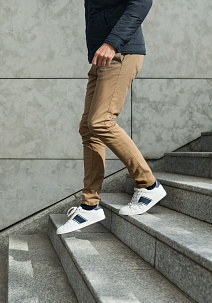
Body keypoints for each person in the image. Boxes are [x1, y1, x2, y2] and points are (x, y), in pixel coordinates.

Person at [57, 0, 166, 235]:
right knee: (88, 128)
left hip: (119, 51)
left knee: (100, 121)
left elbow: (141, 3)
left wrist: (111, 43)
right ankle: (90, 204)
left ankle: (148, 184)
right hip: (102, 57)